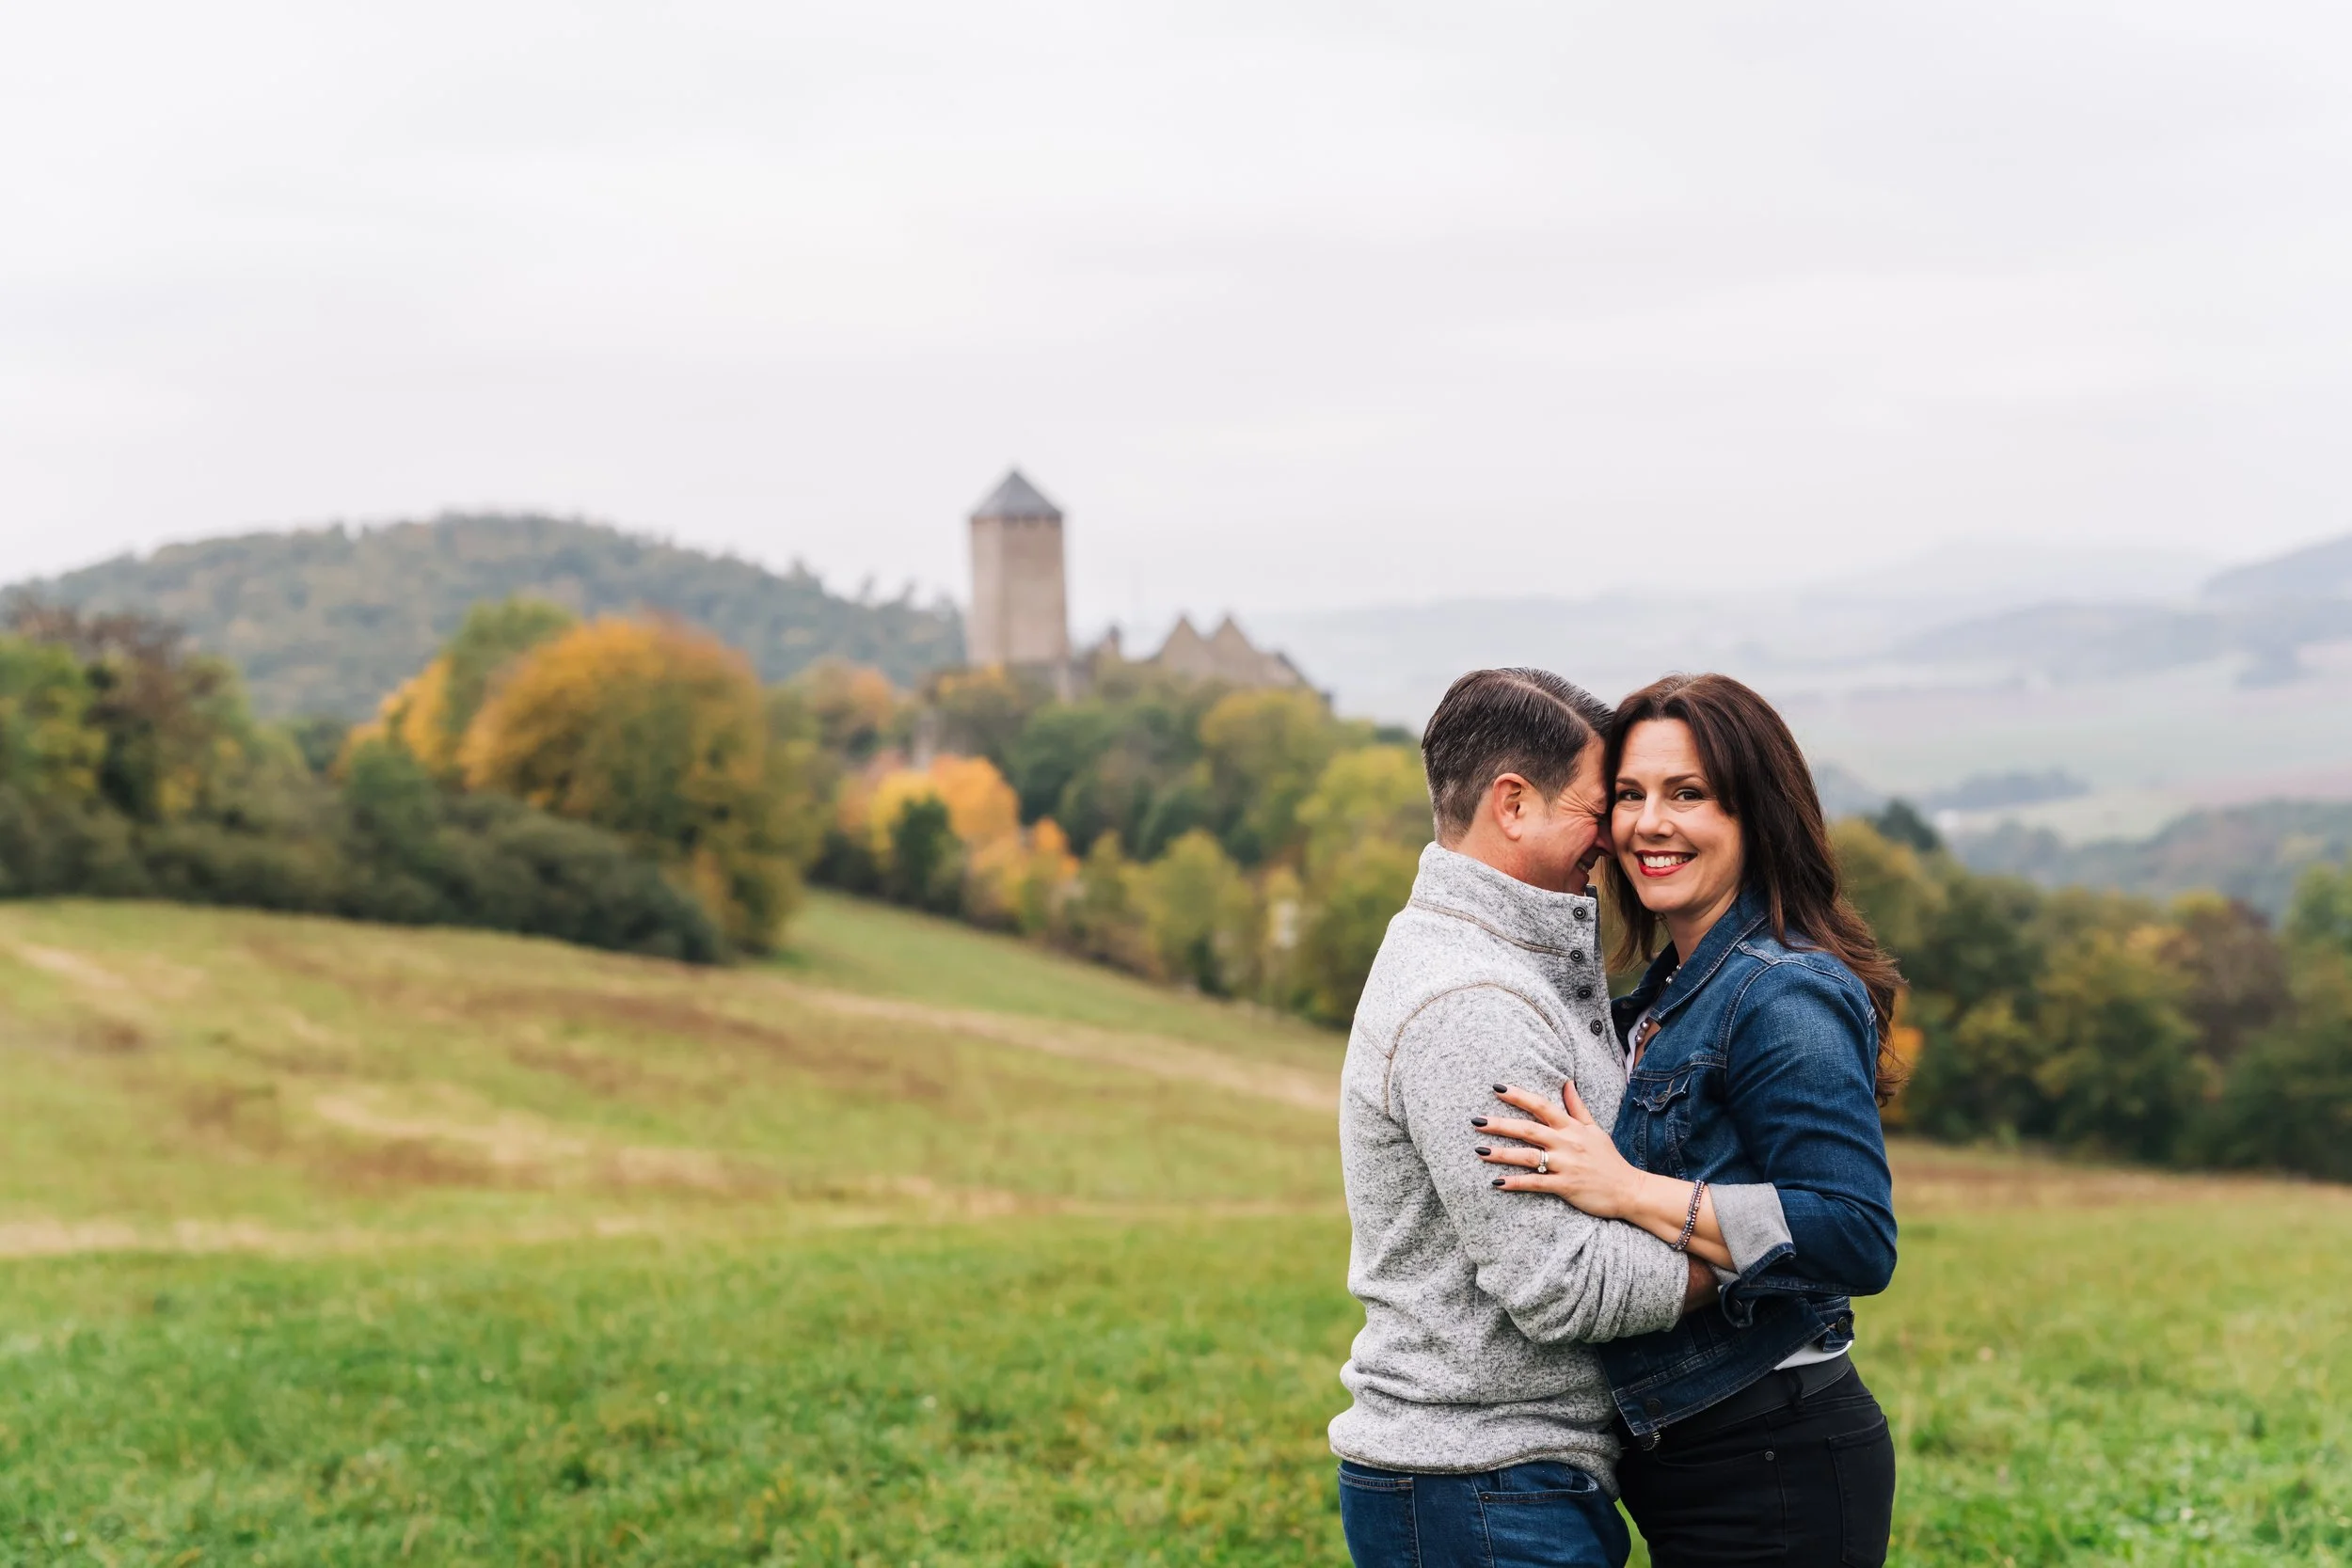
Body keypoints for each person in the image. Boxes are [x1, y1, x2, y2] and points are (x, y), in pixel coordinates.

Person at [1471, 673, 1900, 1566]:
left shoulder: (1781, 991)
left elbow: (1856, 1234)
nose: (1648, 824)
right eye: (1629, 795)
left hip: (1774, 1456)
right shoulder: (1663, 998)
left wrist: (1632, 1191)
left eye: (1688, 794)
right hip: (1696, 1455)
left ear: (1757, 816)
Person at [1331, 668, 1719, 1568]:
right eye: (1599, 807)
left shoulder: (1500, 966)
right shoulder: (1470, 1002)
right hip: (1479, 1487)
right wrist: (1760, 1252)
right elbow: (1563, 1281)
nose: (1616, 835)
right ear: (1513, 803)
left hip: (1507, 1482)